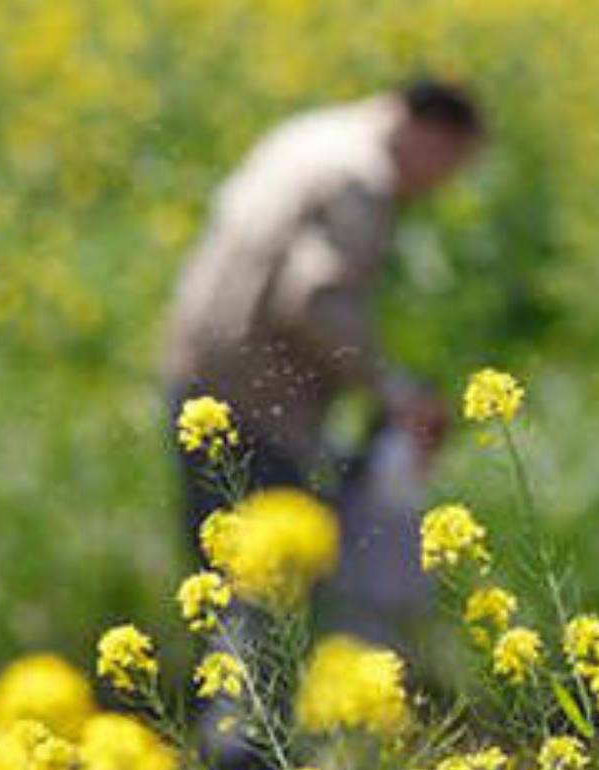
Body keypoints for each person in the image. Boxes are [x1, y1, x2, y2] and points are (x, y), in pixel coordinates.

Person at [162, 77, 486, 647]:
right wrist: (394, 389)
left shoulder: (309, 135)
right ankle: (242, 737)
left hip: (194, 373)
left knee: (227, 579)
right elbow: (315, 299)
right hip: (259, 399)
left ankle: (234, 727)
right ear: (434, 134)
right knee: (266, 593)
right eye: (452, 165)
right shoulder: (360, 177)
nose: (439, 185)